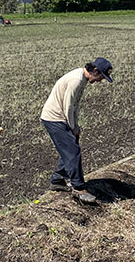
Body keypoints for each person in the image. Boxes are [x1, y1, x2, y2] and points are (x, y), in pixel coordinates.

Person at [40, 57, 113, 204]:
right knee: (73, 151)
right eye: (101, 77)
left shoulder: (82, 79)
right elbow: (68, 106)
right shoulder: (76, 80)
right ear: (95, 71)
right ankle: (79, 188)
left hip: (61, 117)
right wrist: (72, 127)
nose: (100, 81)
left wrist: (76, 126)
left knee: (70, 149)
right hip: (54, 118)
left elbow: (74, 105)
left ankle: (57, 180)